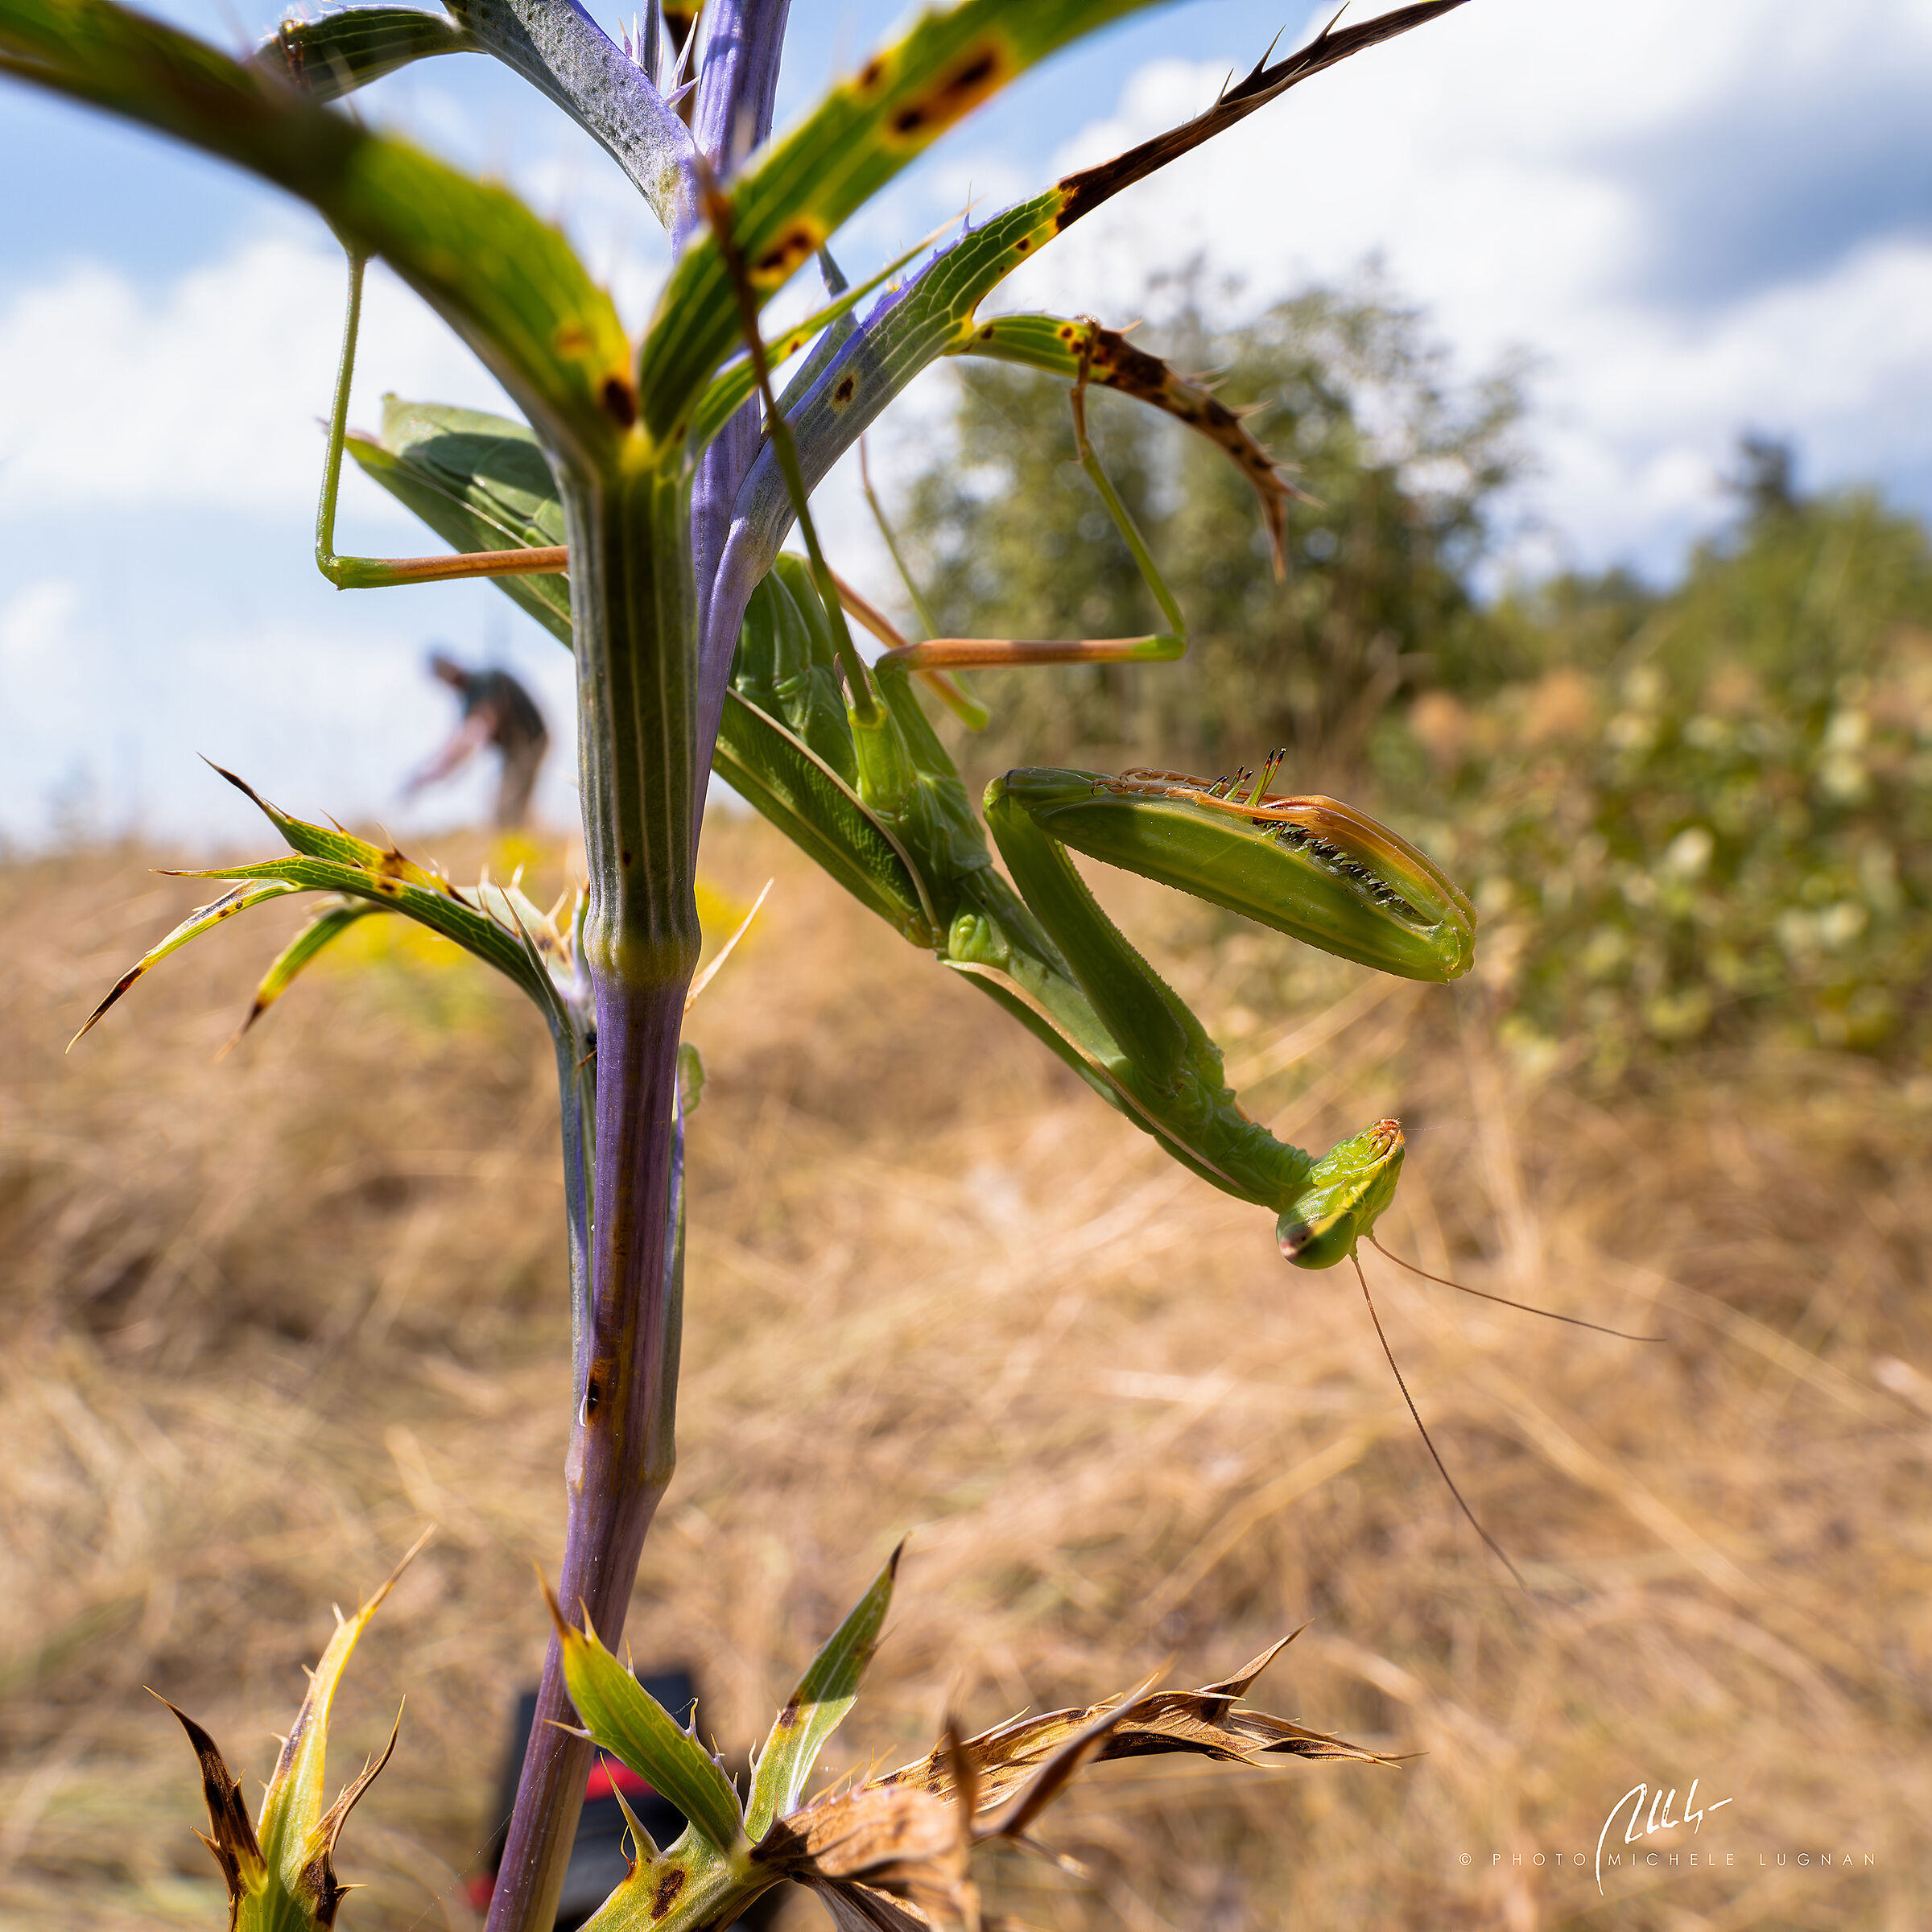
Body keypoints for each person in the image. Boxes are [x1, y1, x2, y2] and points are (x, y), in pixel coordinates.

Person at [408, 651, 550, 828]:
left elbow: (477, 729)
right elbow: (458, 745)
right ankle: (523, 840)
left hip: (531, 739)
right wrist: (429, 775)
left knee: (510, 805)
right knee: (505, 806)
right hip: (512, 750)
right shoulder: (470, 700)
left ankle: (523, 843)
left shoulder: (486, 681)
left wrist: (437, 771)